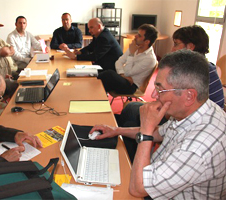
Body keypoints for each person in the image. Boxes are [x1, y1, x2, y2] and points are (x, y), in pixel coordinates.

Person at [90, 50, 226, 199]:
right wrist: (116, 130)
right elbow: (159, 133)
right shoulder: (195, 109)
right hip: (157, 176)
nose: (154, 95)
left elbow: (138, 190)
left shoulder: (198, 148)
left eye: (161, 89)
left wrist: (146, 131)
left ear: (189, 96)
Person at [117, 25, 225, 163]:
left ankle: (130, 158)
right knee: (131, 113)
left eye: (176, 44)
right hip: (184, 115)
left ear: (190, 47)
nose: (173, 48)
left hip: (190, 122)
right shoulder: (205, 66)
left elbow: (174, 110)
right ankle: (127, 155)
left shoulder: (195, 73)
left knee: (132, 111)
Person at [98, 24, 158, 94]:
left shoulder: (150, 59)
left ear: (147, 41)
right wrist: (121, 74)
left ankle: (95, 81)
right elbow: (118, 62)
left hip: (131, 86)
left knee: (108, 74)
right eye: (137, 34)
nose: (135, 36)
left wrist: (131, 54)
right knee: (105, 75)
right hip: (123, 78)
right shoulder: (135, 46)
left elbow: (128, 72)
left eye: (139, 35)